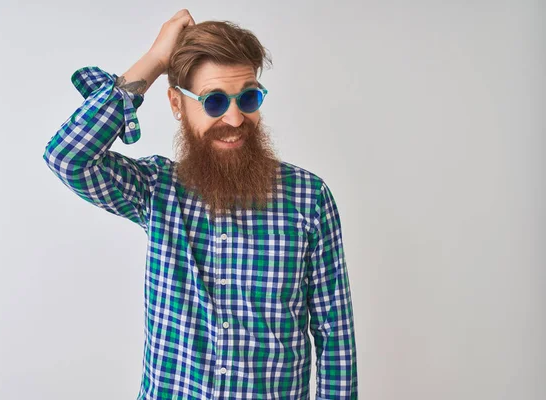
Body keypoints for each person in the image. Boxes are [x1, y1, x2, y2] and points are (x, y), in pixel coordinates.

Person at [43, 9, 357, 400]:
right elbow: (68, 157)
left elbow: (334, 336)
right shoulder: (156, 190)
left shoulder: (309, 199)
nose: (235, 117)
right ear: (177, 104)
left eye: (248, 97)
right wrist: (156, 60)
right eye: (213, 102)